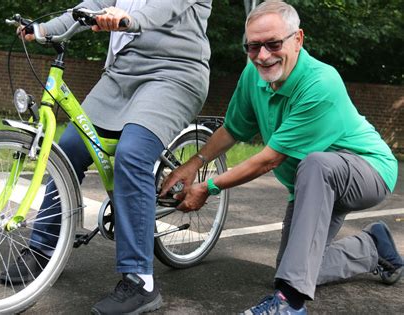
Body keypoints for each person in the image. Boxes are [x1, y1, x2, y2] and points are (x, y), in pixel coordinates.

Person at [160, 1, 402, 314]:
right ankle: (373, 248)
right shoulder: (254, 75)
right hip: (314, 182)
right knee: (289, 267)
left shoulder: (320, 83)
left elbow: (268, 160)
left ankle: (290, 304)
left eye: (274, 44)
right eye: (253, 46)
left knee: (315, 165)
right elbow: (233, 130)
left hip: (368, 172)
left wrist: (208, 188)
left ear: (298, 39)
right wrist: (191, 166)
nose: (263, 55)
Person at [2, 1, 212, 314]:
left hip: (175, 75)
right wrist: (42, 29)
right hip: (124, 73)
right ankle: (44, 247)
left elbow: (161, 10)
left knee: (132, 153)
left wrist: (127, 19)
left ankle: (140, 281)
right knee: (69, 147)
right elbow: (92, 6)